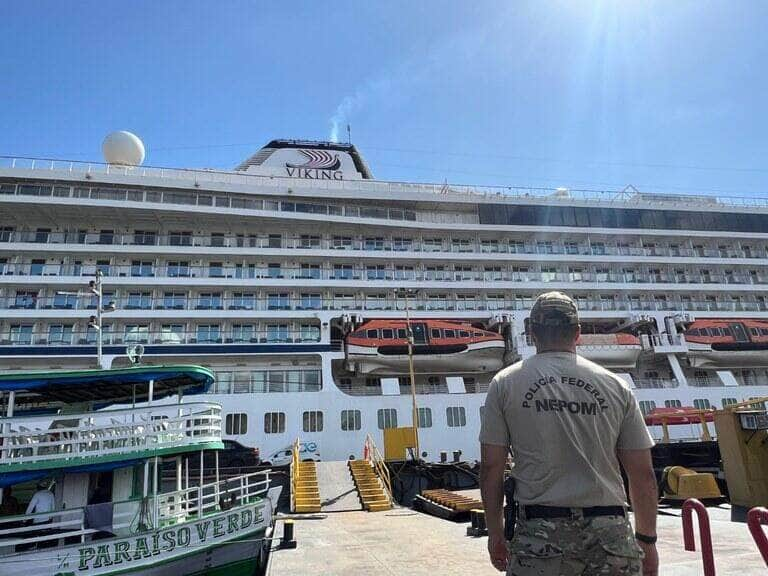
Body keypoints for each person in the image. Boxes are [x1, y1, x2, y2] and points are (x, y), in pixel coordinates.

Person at [480, 291, 658, 576]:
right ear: (577, 333)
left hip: (539, 539)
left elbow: (491, 468)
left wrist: (496, 533)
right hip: (610, 535)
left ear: (531, 333)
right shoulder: (616, 386)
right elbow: (642, 474)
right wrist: (647, 541)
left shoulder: (505, 384)